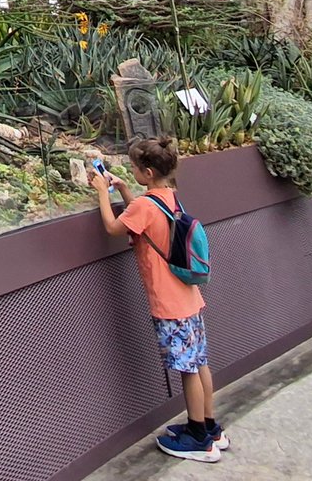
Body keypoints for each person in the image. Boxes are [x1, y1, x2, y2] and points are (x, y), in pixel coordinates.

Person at [88, 135, 226, 463]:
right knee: (200, 362)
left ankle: (198, 439)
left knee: (187, 370)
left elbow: (114, 227)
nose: (132, 171)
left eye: (134, 168)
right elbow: (144, 219)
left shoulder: (144, 206)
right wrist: (124, 189)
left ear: (147, 173)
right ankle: (210, 426)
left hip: (169, 304)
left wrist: (102, 193)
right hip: (189, 297)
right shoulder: (167, 197)